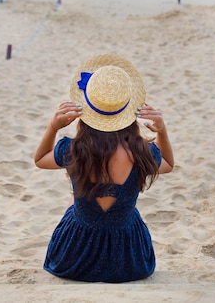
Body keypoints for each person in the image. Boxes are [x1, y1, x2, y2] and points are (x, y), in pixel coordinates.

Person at [34, 53, 174, 283]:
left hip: (74, 259)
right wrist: (162, 130)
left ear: (87, 111)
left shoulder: (74, 150)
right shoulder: (142, 153)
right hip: (129, 261)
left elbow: (40, 159)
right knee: (122, 210)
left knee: (75, 198)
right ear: (128, 112)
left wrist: (53, 127)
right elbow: (168, 164)